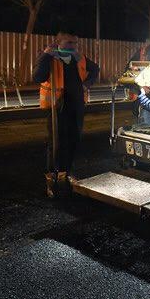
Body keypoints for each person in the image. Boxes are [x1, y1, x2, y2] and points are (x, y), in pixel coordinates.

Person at [32, 28, 100, 197]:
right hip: (58, 106)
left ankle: (66, 173)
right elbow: (38, 77)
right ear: (58, 42)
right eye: (69, 42)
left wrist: (86, 84)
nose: (73, 46)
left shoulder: (79, 57)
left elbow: (95, 69)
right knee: (56, 142)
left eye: (75, 42)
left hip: (76, 105)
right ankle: (52, 178)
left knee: (73, 140)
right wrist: (46, 55)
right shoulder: (50, 57)